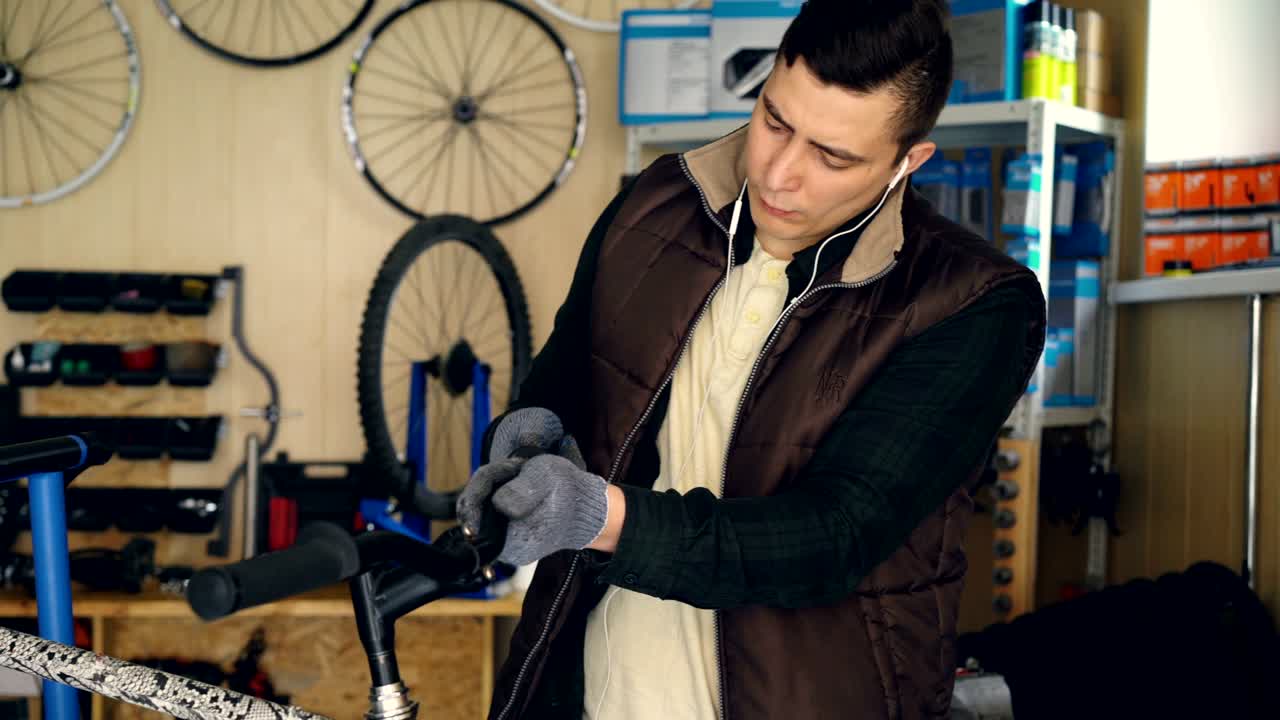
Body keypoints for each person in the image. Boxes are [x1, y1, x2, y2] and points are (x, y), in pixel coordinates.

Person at [458, 1, 1046, 718]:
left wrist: (596, 516)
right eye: (774, 120)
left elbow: (834, 537)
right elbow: (565, 380)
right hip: (593, 693)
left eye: (832, 156)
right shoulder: (653, 209)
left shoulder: (970, 302)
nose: (780, 174)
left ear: (908, 160)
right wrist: (526, 438)